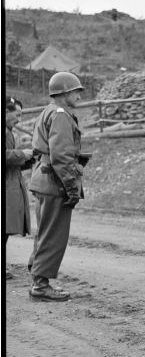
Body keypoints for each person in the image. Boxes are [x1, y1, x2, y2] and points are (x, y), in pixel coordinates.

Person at [27, 72, 86, 301]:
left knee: (45, 232)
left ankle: (39, 278)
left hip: (44, 177)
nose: (79, 96)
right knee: (54, 235)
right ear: (63, 92)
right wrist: (72, 188)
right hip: (54, 181)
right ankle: (41, 285)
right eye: (75, 91)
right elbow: (61, 156)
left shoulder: (49, 111)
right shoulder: (61, 115)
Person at [5, 98, 33, 279]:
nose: (19, 119)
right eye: (17, 114)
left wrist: (29, 160)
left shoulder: (9, 133)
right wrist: (22, 154)